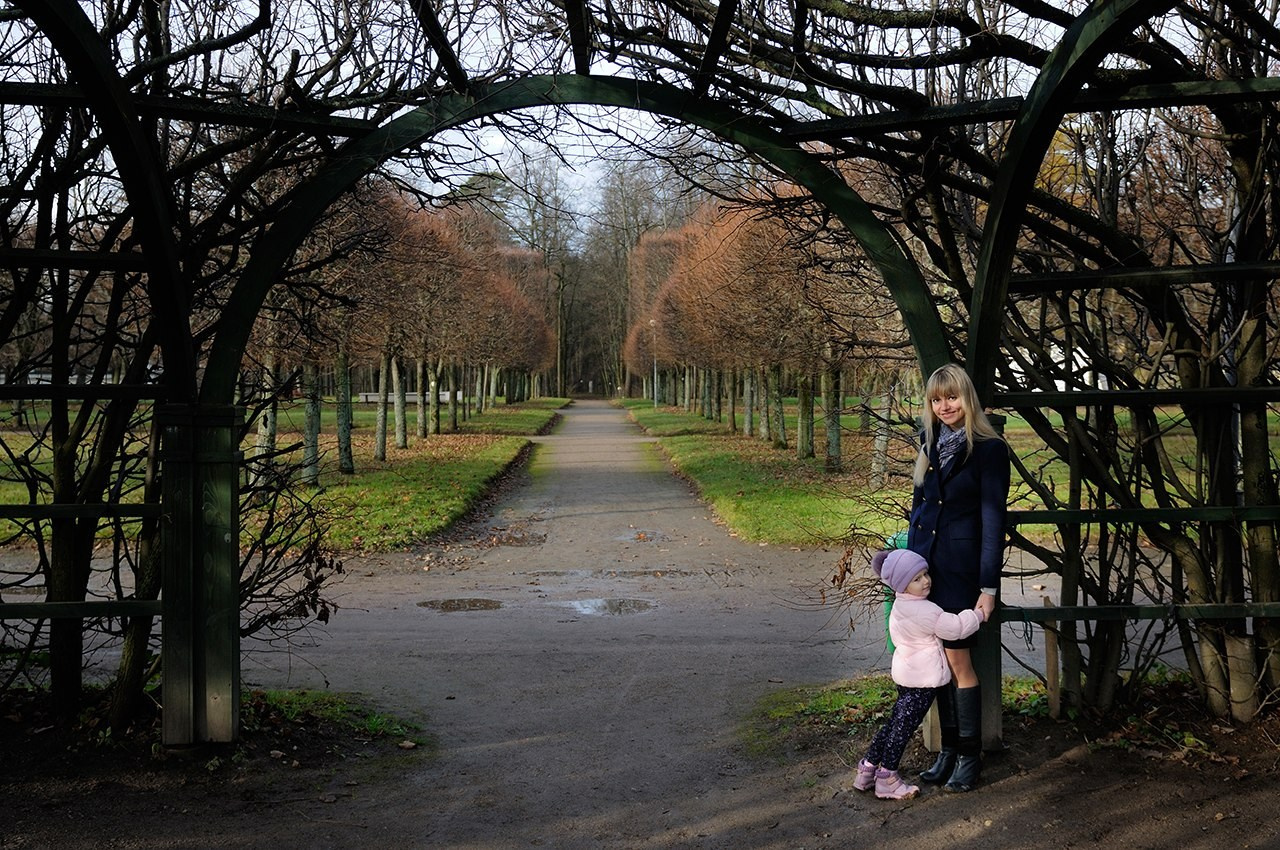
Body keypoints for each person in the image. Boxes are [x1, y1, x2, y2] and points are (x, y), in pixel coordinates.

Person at [907, 363, 1010, 792]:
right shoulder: (929, 444)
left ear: (966, 399)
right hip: (925, 573)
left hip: (961, 573)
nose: (944, 406)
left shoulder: (989, 449)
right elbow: (919, 509)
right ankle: (948, 749)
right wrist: (907, 568)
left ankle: (969, 756)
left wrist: (988, 588)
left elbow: (992, 521)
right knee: (936, 663)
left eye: (951, 397)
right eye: (936, 399)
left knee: (958, 661)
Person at [851, 548, 986, 800]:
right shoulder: (926, 611)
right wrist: (978, 614)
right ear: (903, 585)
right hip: (922, 683)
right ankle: (887, 779)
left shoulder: (900, 606)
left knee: (893, 724)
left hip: (906, 677)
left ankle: (867, 769)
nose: (926, 581)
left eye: (925, 574)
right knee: (902, 729)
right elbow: (955, 629)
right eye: (917, 579)